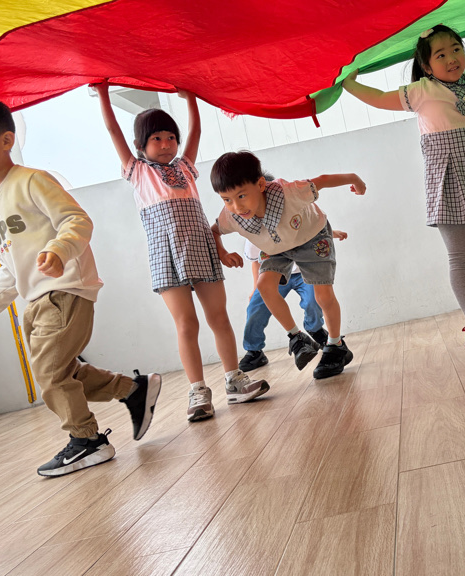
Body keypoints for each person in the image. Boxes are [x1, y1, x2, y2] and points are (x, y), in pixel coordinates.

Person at [0, 92, 161, 477]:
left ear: (6, 139)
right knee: (63, 372)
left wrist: (59, 250)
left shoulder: (31, 181)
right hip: (35, 301)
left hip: (64, 290)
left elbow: (77, 221)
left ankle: (88, 440)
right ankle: (132, 390)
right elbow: (11, 270)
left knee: (49, 373)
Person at [96, 84, 268, 420]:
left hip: (200, 246)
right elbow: (113, 129)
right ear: (140, 145)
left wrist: (191, 99)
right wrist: (103, 93)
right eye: (157, 138)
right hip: (165, 255)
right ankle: (198, 391)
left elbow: (197, 131)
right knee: (186, 324)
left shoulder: (185, 168)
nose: (166, 144)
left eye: (171, 137)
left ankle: (234, 381)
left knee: (219, 317)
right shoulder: (137, 171)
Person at [342, 25, 465, 349]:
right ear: (426, 65)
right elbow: (378, 99)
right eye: (441, 54)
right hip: (448, 180)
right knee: (461, 257)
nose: (452, 58)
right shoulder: (423, 90)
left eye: (456, 49)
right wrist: (348, 82)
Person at [210, 151, 362, 379]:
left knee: (322, 296)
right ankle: (297, 337)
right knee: (264, 286)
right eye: (227, 199)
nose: (236, 206)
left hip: (312, 237)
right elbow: (214, 231)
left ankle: (335, 344)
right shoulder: (232, 216)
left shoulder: (290, 192)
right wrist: (222, 253)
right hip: (276, 248)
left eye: (241, 196)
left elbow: (323, 180)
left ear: (261, 184)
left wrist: (355, 179)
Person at [239, 230, 347, 371]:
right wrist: (255, 287)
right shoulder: (253, 232)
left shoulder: (286, 221)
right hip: (276, 274)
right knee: (255, 307)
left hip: (303, 272)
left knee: (313, 301)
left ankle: (315, 330)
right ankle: (254, 350)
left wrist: (331, 232)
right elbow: (255, 261)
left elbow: (310, 227)